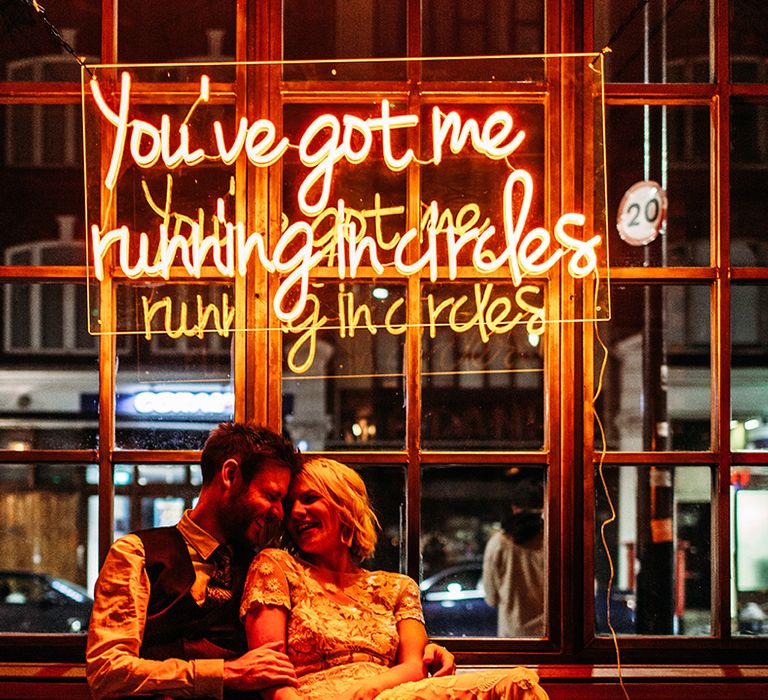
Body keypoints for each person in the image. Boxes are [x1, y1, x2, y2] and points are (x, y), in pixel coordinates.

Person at [86, 422, 454, 699]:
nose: (283, 513)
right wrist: (223, 674)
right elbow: (106, 671)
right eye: (273, 497)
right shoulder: (137, 553)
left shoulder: (268, 565)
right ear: (230, 475)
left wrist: (423, 655)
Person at [241, 457, 549, 700]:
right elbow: (270, 673)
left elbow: (414, 666)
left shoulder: (396, 587)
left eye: (309, 499)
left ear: (344, 508)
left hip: (390, 693)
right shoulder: (276, 566)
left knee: (517, 684)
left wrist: (369, 689)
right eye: (290, 504)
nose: (296, 512)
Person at [482, 477, 546, 638]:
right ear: (544, 506)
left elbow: (491, 599)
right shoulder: (558, 540)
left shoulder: (499, 543)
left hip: (513, 637)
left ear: (514, 508)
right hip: (551, 638)